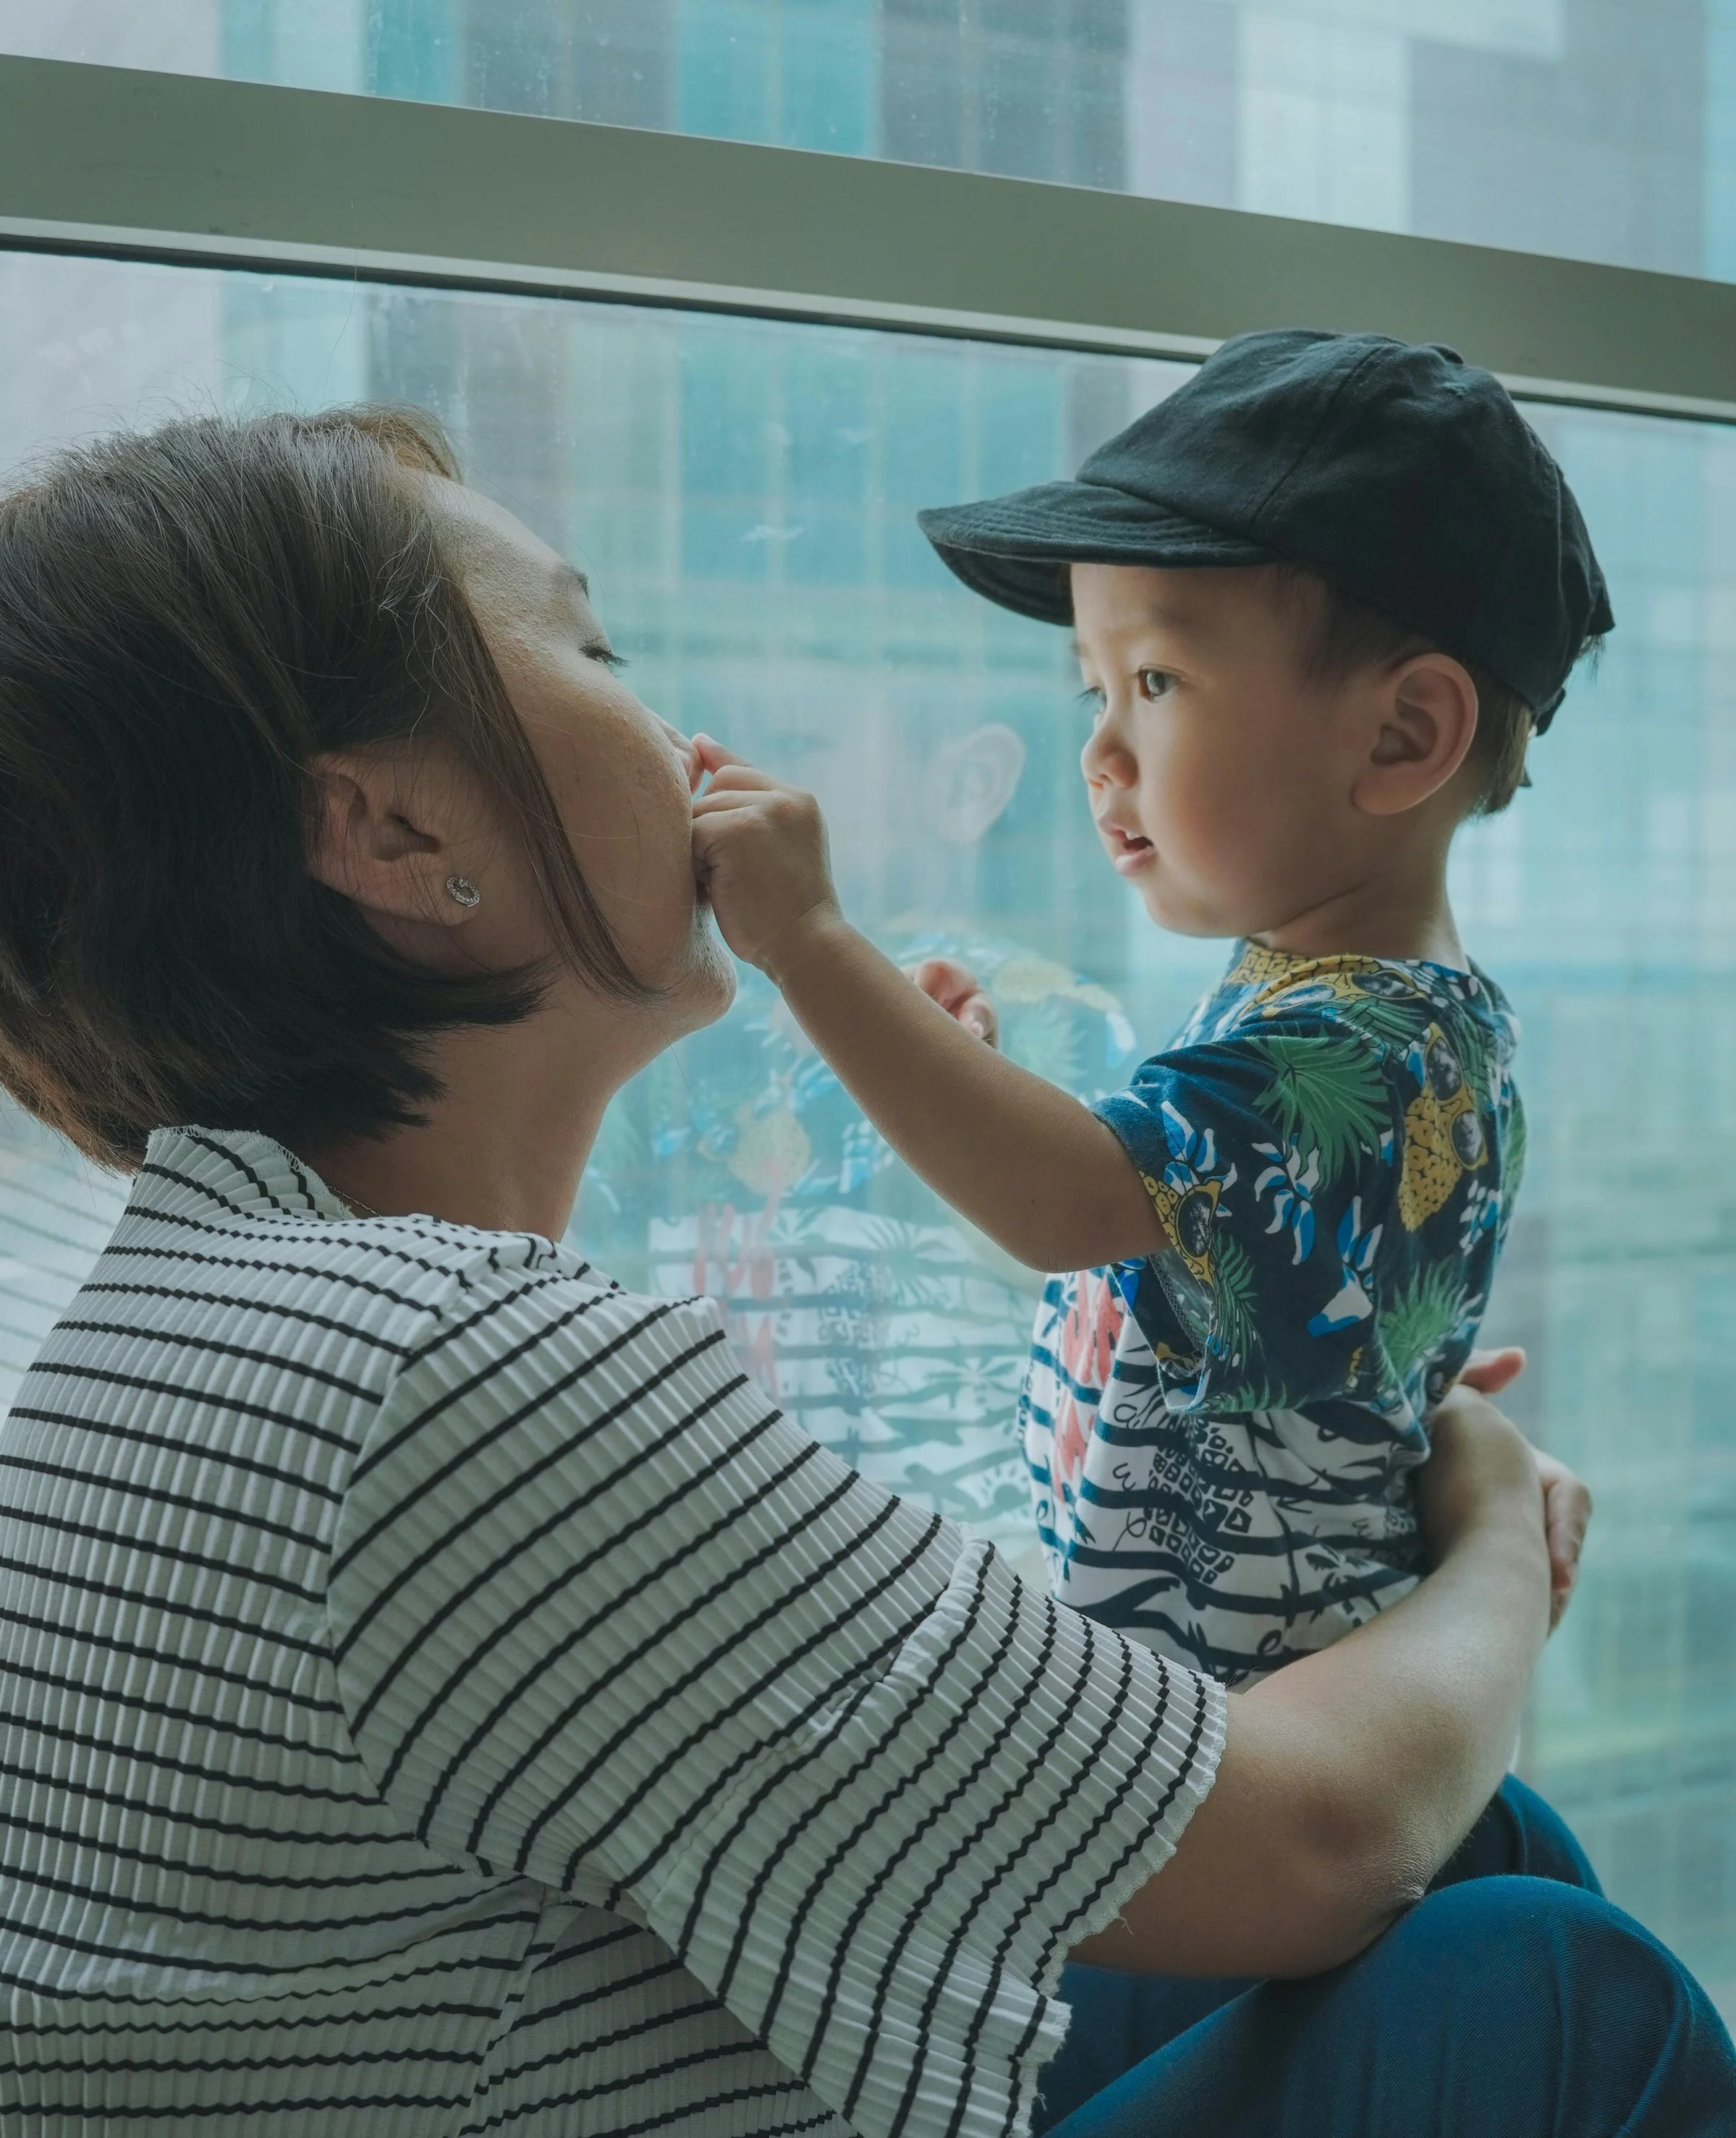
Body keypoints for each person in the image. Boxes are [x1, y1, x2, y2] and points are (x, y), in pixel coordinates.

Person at [0, 402, 1729, 2138]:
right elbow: (1298, 1839)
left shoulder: (249, 1317)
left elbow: (973, 1747)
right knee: (1573, 2041)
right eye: (588, 641)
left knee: (1476, 1870)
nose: (671, 716)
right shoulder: (440, 1373)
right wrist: (1496, 1554)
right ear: (399, 834)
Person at [690, 331, 1611, 1681]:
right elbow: (1165, 1265)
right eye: (1094, 686)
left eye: (1157, 682)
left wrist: (815, 945)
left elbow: (1069, 1203)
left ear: (1404, 735)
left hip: (1250, 1758)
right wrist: (972, 1085)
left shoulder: (1351, 1050)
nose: (1100, 747)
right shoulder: (1385, 1015)